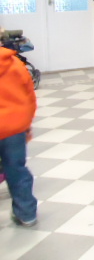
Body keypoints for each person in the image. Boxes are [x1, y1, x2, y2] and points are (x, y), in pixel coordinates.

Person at [0, 46, 38, 226]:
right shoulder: (14, 63)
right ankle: (27, 213)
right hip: (14, 127)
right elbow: (30, 96)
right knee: (16, 169)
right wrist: (27, 123)